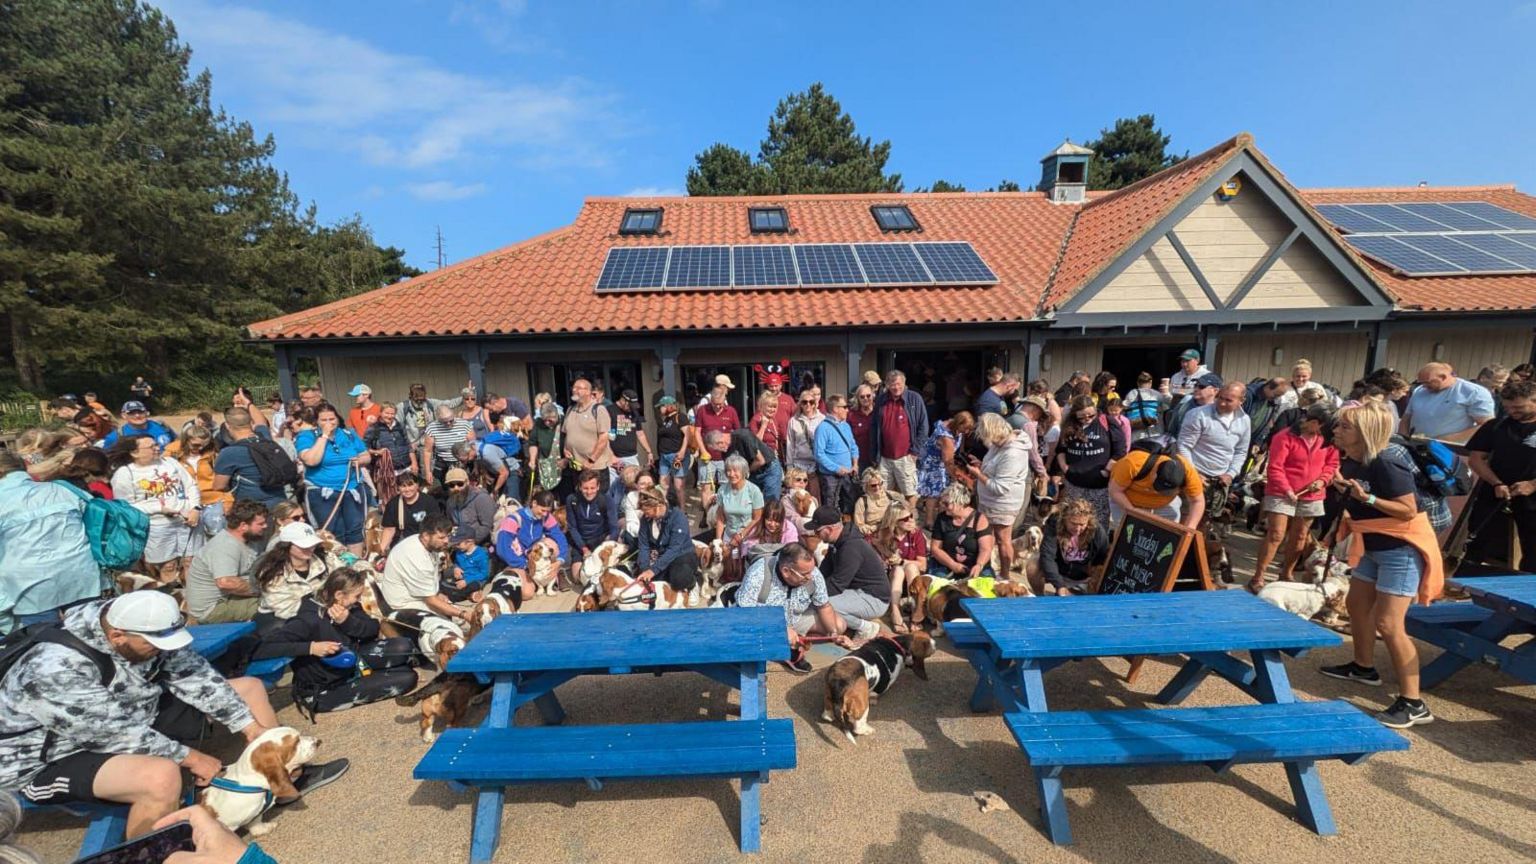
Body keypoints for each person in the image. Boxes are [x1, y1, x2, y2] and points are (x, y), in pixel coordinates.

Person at [0, 593, 306, 840]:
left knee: (248, 691)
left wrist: (249, 726)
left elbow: (196, 676)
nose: (161, 651)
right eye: (154, 646)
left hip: (130, 711)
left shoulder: (145, 625)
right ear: (117, 635)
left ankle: (279, 783)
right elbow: (113, 733)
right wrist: (192, 758)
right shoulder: (53, 670)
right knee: (160, 777)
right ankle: (153, 853)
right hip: (45, 757)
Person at [1320, 403, 1443, 729]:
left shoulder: (1387, 462)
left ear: (1363, 433)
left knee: (1389, 624)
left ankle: (1414, 703)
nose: (1336, 431)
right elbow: (1359, 497)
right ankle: (1363, 667)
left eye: (1344, 427)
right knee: (1356, 604)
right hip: (1373, 544)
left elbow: (1406, 510)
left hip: (1401, 549)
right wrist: (1347, 493)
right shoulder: (1353, 459)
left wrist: (1366, 499)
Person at [250, 568, 416, 716]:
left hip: (352, 662)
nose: (358, 600)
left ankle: (370, 674)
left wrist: (347, 621)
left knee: (404, 647)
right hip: (326, 685)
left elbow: (372, 628)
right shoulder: (308, 619)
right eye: (356, 596)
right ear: (338, 595)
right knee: (407, 678)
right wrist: (311, 648)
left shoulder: (346, 606)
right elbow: (260, 649)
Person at [0, 451, 99, 635]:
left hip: (28, 585)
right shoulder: (62, 489)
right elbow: (95, 521)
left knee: (45, 644)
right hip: (80, 573)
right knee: (91, 635)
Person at [1250, 403, 1338, 592]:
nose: (1329, 432)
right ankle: (1259, 576)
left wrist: (1323, 481)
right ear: (1314, 422)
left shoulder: (1328, 440)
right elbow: (1275, 466)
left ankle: (1286, 573)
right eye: (1325, 427)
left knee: (1300, 536)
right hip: (1281, 491)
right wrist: (1286, 489)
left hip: (1313, 493)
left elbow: (1332, 464)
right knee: (1276, 533)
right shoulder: (1285, 436)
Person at [737, 542, 851, 673]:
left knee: (839, 624)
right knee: (748, 638)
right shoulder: (758, 573)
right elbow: (745, 614)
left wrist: (834, 635)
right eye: (805, 574)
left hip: (795, 618)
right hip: (762, 622)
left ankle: (792, 644)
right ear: (786, 571)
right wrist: (780, 628)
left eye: (811, 571)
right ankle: (786, 649)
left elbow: (824, 606)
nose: (810, 577)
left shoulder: (812, 573)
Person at [1464, 378, 1536, 569]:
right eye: (1508, 407)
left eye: (1519, 408)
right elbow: (1476, 459)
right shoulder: (1496, 426)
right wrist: (1496, 482)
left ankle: (1527, 591)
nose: (1512, 412)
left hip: (1531, 498)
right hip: (1495, 494)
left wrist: (1532, 485)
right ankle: (1464, 583)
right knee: (1477, 543)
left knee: (1532, 550)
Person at [110, 436, 200, 585]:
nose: (157, 448)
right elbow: (125, 506)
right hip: (157, 526)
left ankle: (194, 600)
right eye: (151, 447)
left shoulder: (170, 463)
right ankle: (172, 597)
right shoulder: (125, 474)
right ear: (134, 453)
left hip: (187, 521)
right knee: (168, 565)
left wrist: (195, 508)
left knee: (191, 562)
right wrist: (159, 509)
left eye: (157, 444)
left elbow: (191, 485)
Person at [964, 412, 1034, 583]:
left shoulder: (1013, 453)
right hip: (989, 500)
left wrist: (978, 474)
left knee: (1003, 540)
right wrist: (981, 465)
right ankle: (988, 568)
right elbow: (996, 469)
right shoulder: (1000, 444)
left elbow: (1000, 487)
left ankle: (1004, 575)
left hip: (1003, 503)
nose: (988, 442)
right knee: (988, 537)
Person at [377, 516, 470, 645]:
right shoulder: (416, 557)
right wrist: (463, 614)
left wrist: (438, 594)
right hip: (403, 604)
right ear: (426, 535)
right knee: (452, 629)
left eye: (447, 536)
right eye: (442, 537)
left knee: (459, 620)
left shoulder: (426, 544)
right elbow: (431, 601)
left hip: (421, 596)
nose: (446, 541)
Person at [804, 506, 889, 639]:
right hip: (856, 592)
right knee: (817, 600)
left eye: (817, 531)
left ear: (830, 529)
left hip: (874, 598)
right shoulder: (837, 542)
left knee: (822, 604)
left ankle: (866, 627)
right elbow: (824, 571)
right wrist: (807, 585)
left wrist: (808, 594)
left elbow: (837, 584)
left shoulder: (851, 547)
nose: (815, 534)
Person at [295, 404, 370, 554]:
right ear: (316, 421)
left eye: (332, 418)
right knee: (333, 531)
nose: (329, 423)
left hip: (352, 488)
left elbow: (366, 456)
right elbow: (311, 460)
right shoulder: (306, 437)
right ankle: (337, 566)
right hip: (323, 491)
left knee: (355, 529)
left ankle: (355, 564)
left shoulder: (349, 434)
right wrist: (324, 436)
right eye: (324, 420)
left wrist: (359, 461)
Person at [1177, 381, 1252, 527]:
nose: (1222, 403)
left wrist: (1230, 474)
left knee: (1205, 523)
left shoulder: (1245, 421)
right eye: (1220, 398)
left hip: (1219, 481)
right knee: (1186, 521)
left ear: (1241, 401)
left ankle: (1194, 549)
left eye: (1228, 400)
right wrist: (1193, 474)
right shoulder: (1198, 415)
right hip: (1194, 475)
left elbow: (1241, 451)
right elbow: (1183, 446)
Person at [184, 501, 268, 624]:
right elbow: (227, 583)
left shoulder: (250, 541)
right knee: (275, 604)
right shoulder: (225, 546)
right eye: (261, 523)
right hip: (214, 607)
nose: (266, 526)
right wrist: (264, 589)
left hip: (231, 598)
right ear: (243, 525)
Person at [1054, 395, 1125, 527]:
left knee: (1097, 523)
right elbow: (1061, 449)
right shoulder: (1069, 425)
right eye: (1081, 417)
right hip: (1074, 482)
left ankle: (1096, 547)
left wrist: (1106, 471)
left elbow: (1120, 451)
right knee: (1073, 521)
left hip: (1099, 483)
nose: (1087, 419)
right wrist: (1065, 468)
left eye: (1091, 415)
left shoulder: (1107, 421)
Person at [1108, 438, 1205, 528]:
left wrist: (1190, 529)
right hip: (1126, 502)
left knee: (1165, 536)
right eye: (1159, 487)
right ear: (1154, 473)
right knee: (1127, 535)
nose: (1159, 492)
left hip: (1164, 506)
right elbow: (1115, 491)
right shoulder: (1132, 463)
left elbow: (1198, 501)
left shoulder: (1188, 472)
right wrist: (1132, 511)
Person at [251, 522, 331, 630]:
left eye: (312, 544)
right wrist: (328, 608)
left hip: (322, 613)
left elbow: (352, 570)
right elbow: (285, 609)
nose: (310, 548)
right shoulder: (273, 572)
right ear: (287, 546)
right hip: (282, 620)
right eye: (304, 545)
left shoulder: (323, 559)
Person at [494, 491, 570, 599]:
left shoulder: (546, 517)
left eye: (547, 511)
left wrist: (560, 560)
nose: (544, 514)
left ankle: (555, 574)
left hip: (536, 555)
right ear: (534, 503)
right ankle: (519, 575)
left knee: (552, 544)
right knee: (527, 593)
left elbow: (560, 538)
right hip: (520, 559)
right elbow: (502, 549)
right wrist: (525, 565)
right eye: (542, 510)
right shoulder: (514, 519)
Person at [872, 370, 929, 511]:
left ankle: (910, 519)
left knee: (910, 492)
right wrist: (874, 454)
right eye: (892, 384)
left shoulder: (914, 399)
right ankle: (888, 522)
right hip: (885, 457)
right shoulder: (881, 400)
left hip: (906, 456)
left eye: (899, 384)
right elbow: (874, 428)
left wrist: (915, 451)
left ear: (904, 383)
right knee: (883, 492)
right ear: (887, 385)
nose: (896, 387)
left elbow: (924, 426)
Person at [213, 408, 291, 509]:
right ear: (250, 422)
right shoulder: (265, 438)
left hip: (254, 509)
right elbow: (261, 421)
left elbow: (219, 486)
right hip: (281, 502)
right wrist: (248, 403)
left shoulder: (229, 453)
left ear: (227, 426)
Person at [1401, 361, 1496, 443]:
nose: (1424, 386)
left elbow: (1486, 426)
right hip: (1416, 445)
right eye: (1422, 383)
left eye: (1428, 382)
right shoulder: (1419, 391)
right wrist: (1403, 438)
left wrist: (1446, 440)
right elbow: (1406, 418)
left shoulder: (1473, 392)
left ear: (1443, 377)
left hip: (1451, 449)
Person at [633, 486, 700, 592]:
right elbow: (644, 545)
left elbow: (674, 549)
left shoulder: (678, 518)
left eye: (647, 511)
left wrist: (653, 571)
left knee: (678, 580)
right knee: (651, 581)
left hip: (681, 554)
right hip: (660, 555)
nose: (645, 514)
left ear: (658, 506)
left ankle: (693, 583)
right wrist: (645, 569)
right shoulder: (645, 520)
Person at [1037, 498, 1110, 595]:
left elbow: (1102, 560)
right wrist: (1059, 585)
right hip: (1059, 569)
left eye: (1082, 524)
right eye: (1073, 523)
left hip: (1083, 576)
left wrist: (1093, 580)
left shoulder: (1098, 532)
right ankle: (1040, 597)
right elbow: (1047, 556)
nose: (1077, 529)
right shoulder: (1054, 524)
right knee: (1033, 567)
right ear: (1065, 518)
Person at [871, 504, 926, 631]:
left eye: (911, 516)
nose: (911, 520)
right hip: (890, 576)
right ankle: (895, 610)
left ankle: (914, 610)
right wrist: (881, 548)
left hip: (912, 578)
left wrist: (902, 561)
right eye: (905, 519)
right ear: (894, 521)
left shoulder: (916, 534)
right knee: (898, 570)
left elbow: (923, 565)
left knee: (910, 567)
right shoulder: (883, 534)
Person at [927, 483, 995, 579]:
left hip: (974, 565)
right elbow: (935, 548)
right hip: (947, 564)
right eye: (942, 503)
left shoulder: (980, 520)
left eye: (946, 504)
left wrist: (979, 565)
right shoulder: (942, 518)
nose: (942, 506)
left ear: (960, 503)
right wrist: (952, 565)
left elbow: (985, 549)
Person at [917, 410, 973, 526]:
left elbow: (958, 446)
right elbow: (948, 462)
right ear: (959, 424)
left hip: (940, 462)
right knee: (934, 493)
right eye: (965, 428)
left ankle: (938, 518)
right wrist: (956, 477)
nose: (967, 432)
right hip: (934, 464)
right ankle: (930, 521)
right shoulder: (946, 438)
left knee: (940, 492)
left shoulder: (951, 424)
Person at [560, 378, 614, 495]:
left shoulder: (598, 410)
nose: (574, 390)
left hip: (595, 468)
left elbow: (604, 438)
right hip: (576, 468)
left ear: (588, 391)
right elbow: (566, 434)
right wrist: (565, 449)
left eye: (578, 388)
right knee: (580, 501)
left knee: (597, 502)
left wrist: (591, 460)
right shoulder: (570, 410)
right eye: (573, 388)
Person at [693, 384, 741, 513]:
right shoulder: (702, 410)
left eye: (720, 404)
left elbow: (737, 433)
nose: (718, 407)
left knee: (726, 485)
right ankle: (707, 513)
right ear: (710, 400)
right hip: (707, 456)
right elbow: (697, 432)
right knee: (705, 486)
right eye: (715, 404)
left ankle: (725, 513)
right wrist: (702, 450)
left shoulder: (731, 411)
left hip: (725, 457)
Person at [715, 455, 765, 578]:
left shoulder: (753, 491)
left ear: (744, 472)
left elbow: (757, 518)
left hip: (749, 534)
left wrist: (740, 536)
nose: (731, 474)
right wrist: (719, 542)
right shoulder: (722, 490)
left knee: (745, 569)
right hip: (730, 532)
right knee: (726, 568)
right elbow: (721, 518)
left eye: (735, 470)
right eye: (728, 470)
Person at [814, 394, 860, 516]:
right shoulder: (823, 428)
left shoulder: (846, 425)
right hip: (830, 476)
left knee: (850, 503)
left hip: (848, 473)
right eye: (844, 407)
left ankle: (848, 530)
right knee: (830, 506)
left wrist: (855, 464)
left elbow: (853, 446)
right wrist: (836, 468)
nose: (847, 410)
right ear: (835, 409)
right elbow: (819, 454)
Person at [566, 469, 620, 569]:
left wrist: (606, 546)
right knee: (577, 575)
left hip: (600, 540)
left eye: (592, 488)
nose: (589, 492)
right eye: (585, 488)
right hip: (581, 542)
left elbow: (614, 528)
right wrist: (584, 548)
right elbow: (572, 527)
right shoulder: (572, 499)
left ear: (598, 487)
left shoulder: (606, 500)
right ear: (580, 487)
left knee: (602, 571)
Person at [379, 472, 442, 551]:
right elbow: (389, 529)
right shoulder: (393, 504)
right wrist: (381, 549)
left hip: (424, 541)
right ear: (398, 488)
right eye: (403, 486)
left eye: (410, 485)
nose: (407, 489)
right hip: (403, 542)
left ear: (417, 485)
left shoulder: (429, 501)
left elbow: (436, 525)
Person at [783, 387, 825, 500]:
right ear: (800, 404)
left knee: (814, 498)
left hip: (816, 466)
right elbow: (790, 444)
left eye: (811, 402)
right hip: (798, 464)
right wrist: (789, 467)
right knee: (798, 499)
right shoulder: (794, 421)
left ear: (815, 403)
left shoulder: (822, 419)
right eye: (804, 402)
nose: (808, 405)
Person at [398, 383, 461, 454]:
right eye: (416, 399)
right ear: (410, 396)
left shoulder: (430, 403)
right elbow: (397, 427)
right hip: (411, 447)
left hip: (427, 444)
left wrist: (465, 396)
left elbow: (450, 403)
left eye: (422, 399)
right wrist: (407, 444)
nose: (419, 401)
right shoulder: (403, 407)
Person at [442, 467, 497, 546]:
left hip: (482, 544)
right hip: (460, 543)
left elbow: (488, 526)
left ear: (467, 482)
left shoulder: (481, 498)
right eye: (451, 485)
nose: (456, 488)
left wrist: (468, 542)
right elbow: (452, 524)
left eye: (460, 484)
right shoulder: (450, 502)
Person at [654, 396, 693, 507]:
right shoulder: (666, 420)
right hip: (664, 456)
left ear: (669, 406)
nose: (660, 409)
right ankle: (662, 509)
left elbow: (687, 435)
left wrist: (682, 451)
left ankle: (682, 511)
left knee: (678, 485)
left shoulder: (680, 417)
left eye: (661, 406)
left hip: (676, 456)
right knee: (663, 484)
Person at [423, 404, 474, 488]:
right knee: (445, 489)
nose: (448, 423)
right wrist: (428, 471)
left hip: (462, 462)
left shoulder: (465, 424)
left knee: (464, 487)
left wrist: (468, 461)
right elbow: (427, 451)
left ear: (453, 415)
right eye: (444, 422)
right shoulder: (432, 428)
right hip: (443, 463)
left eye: (451, 420)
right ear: (438, 419)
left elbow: (473, 446)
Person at [738, 497, 800, 563]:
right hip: (760, 561)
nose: (772, 524)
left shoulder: (789, 528)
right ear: (764, 518)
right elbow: (749, 547)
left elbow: (792, 550)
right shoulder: (757, 527)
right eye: (769, 520)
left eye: (777, 521)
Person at [365, 402, 417, 479]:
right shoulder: (374, 428)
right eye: (387, 413)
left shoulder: (399, 426)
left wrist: (414, 463)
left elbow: (408, 445)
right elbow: (363, 447)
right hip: (388, 469)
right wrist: (377, 452)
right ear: (381, 413)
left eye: (392, 414)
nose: (389, 416)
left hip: (406, 466)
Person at [1164, 372, 1222, 440]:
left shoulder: (1220, 410)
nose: (1196, 389)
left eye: (1201, 386)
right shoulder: (1185, 403)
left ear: (1215, 391)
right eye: (1195, 385)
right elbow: (1172, 430)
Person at [100, 401, 175, 449]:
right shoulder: (116, 436)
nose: (137, 416)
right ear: (123, 415)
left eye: (140, 412)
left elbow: (176, 442)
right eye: (131, 413)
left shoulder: (161, 426)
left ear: (147, 413)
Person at [527, 402, 564, 497]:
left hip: (563, 466)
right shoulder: (538, 424)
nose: (547, 423)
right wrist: (532, 460)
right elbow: (533, 443)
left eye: (550, 420)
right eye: (545, 420)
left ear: (556, 416)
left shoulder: (564, 422)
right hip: (546, 466)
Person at [445, 529, 490, 603]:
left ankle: (454, 597)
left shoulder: (481, 554)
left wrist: (467, 581)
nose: (456, 546)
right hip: (462, 577)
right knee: (444, 581)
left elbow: (484, 574)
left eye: (458, 543)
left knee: (472, 586)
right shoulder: (459, 552)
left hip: (475, 580)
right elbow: (456, 563)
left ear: (470, 542)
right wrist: (456, 568)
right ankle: (467, 594)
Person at [1123, 372, 1169, 441]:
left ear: (1138, 383)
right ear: (1151, 382)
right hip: (1155, 433)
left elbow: (1124, 409)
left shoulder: (1131, 394)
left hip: (1136, 433)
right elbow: (1167, 409)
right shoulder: (1157, 395)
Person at [852, 468, 894, 538]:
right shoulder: (862, 501)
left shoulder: (890, 496)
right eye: (873, 485)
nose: (877, 487)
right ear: (866, 486)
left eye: (880, 484)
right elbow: (859, 526)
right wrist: (876, 528)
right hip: (873, 535)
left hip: (891, 531)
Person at [848, 383, 878, 473]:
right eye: (862, 397)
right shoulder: (851, 415)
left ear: (873, 396)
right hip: (859, 460)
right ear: (858, 398)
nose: (866, 398)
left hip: (877, 459)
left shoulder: (879, 412)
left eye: (868, 396)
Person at [750, 391, 785, 459]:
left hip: (774, 455)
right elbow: (755, 442)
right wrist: (763, 426)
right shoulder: (756, 419)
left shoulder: (773, 419)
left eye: (774, 407)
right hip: (762, 458)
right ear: (762, 406)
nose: (772, 409)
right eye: (770, 407)